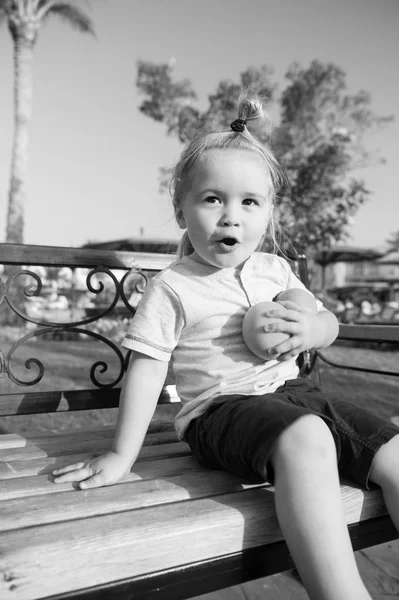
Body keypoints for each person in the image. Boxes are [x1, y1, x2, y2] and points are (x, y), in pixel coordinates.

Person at [53, 95, 399, 600]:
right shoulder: (174, 286)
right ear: (181, 209)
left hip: (295, 393)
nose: (230, 217)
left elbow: (326, 321)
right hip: (219, 410)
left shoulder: (276, 271)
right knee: (308, 439)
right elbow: (148, 370)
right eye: (213, 199)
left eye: (249, 202)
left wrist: (313, 331)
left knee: (393, 452)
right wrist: (121, 455)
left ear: (268, 214)